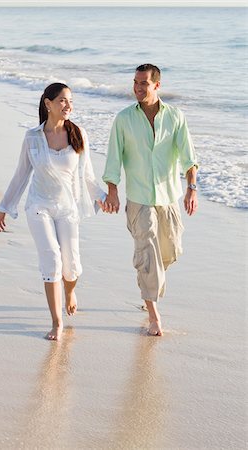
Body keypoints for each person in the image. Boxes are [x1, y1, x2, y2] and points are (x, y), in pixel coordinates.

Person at [0, 83, 106, 341]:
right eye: (63, 101)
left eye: (71, 101)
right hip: (38, 205)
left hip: (68, 208)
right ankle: (57, 322)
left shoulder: (78, 133)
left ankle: (70, 291)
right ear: (48, 103)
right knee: (52, 260)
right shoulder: (32, 137)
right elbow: (21, 175)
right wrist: (3, 208)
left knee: (71, 267)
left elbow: (87, 176)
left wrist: (102, 197)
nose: (68, 106)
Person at [102, 64, 198, 337]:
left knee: (169, 251)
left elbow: (189, 156)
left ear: (157, 85)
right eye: (135, 82)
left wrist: (192, 188)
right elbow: (113, 157)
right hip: (139, 198)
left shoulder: (176, 117)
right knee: (148, 254)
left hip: (168, 197)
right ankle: (154, 314)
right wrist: (112, 190)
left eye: (144, 83)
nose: (138, 88)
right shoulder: (123, 119)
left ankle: (150, 285)